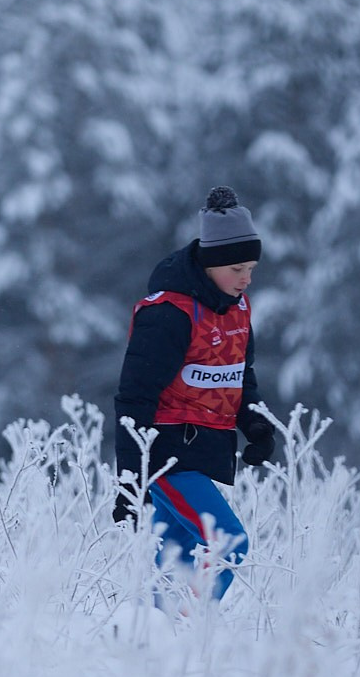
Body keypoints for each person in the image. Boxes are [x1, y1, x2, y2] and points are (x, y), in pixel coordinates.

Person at [112, 186, 279, 601]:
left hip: (202, 453)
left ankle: (154, 640)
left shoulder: (237, 309)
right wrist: (130, 482)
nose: (247, 278)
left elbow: (240, 376)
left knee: (174, 565)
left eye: (252, 268)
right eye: (237, 268)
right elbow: (134, 398)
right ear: (209, 265)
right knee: (229, 542)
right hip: (168, 456)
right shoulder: (168, 313)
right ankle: (192, 632)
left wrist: (255, 425)